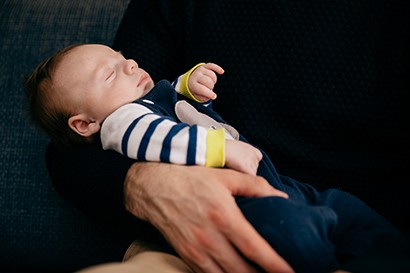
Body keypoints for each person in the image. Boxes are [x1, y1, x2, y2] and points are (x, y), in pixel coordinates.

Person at [25, 43, 401, 273]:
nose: (130, 64)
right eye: (110, 73)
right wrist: (219, 148)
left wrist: (188, 83)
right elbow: (162, 137)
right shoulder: (121, 122)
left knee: (344, 208)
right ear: (84, 123)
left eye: (123, 57)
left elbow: (173, 98)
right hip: (234, 204)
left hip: (283, 184)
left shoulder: (143, 102)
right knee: (288, 229)